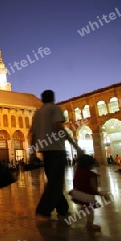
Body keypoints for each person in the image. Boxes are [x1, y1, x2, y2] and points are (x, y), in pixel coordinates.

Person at [29, 90, 83, 219]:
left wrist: (32, 153)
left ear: (42, 99)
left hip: (45, 151)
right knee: (56, 182)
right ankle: (43, 209)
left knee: (54, 180)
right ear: (53, 98)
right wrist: (74, 145)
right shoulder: (54, 108)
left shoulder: (37, 113)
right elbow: (59, 126)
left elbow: (33, 134)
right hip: (57, 150)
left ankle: (62, 208)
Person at [69, 154, 109, 231]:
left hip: (76, 193)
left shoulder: (78, 171)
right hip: (86, 196)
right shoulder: (91, 175)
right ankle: (90, 224)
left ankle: (77, 218)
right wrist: (102, 194)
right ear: (90, 164)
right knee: (89, 209)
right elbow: (94, 189)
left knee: (84, 208)